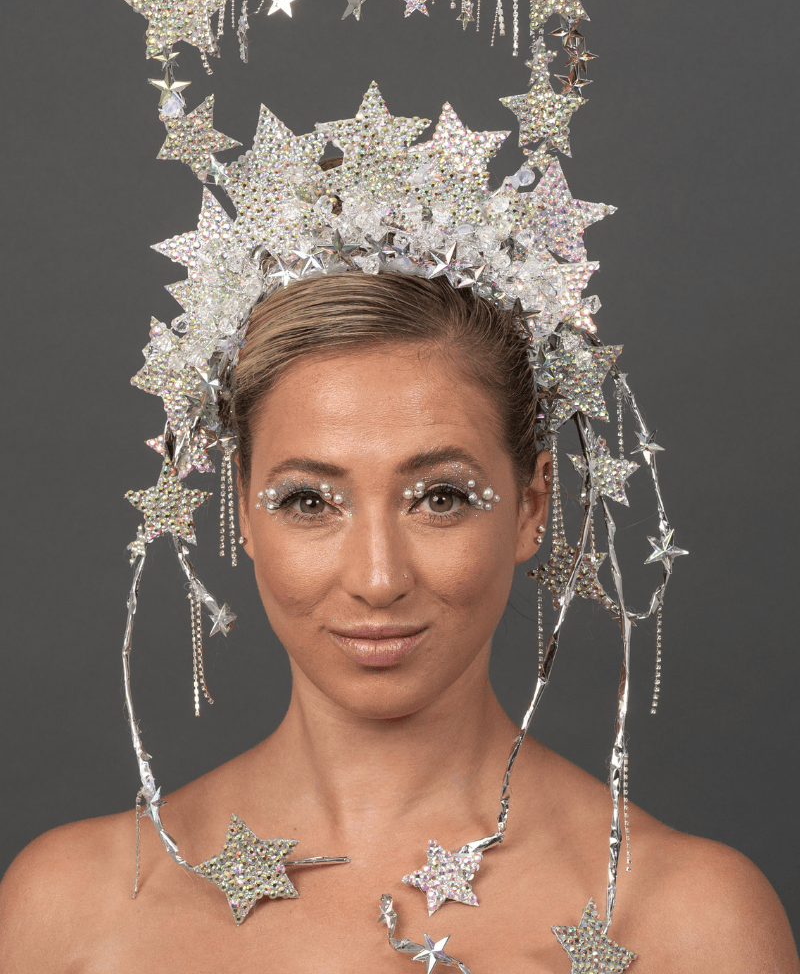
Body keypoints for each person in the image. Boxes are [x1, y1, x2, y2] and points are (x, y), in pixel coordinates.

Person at [0, 270, 797, 972]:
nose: (377, 580)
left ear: (531, 506)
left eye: (441, 498)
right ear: (243, 510)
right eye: (308, 501)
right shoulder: (69, 907)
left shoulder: (690, 923)